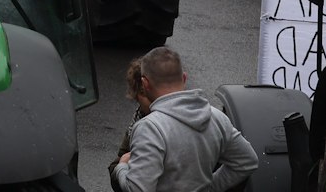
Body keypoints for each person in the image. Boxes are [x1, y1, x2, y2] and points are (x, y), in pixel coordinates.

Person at [114, 47, 258, 192]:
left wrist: (121, 167)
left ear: (145, 83)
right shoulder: (217, 117)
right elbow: (247, 161)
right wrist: (210, 188)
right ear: (184, 78)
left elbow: (138, 189)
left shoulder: (149, 128)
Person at [110, 57, 157, 192]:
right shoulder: (138, 119)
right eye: (142, 93)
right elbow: (116, 165)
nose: (149, 99)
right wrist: (124, 163)